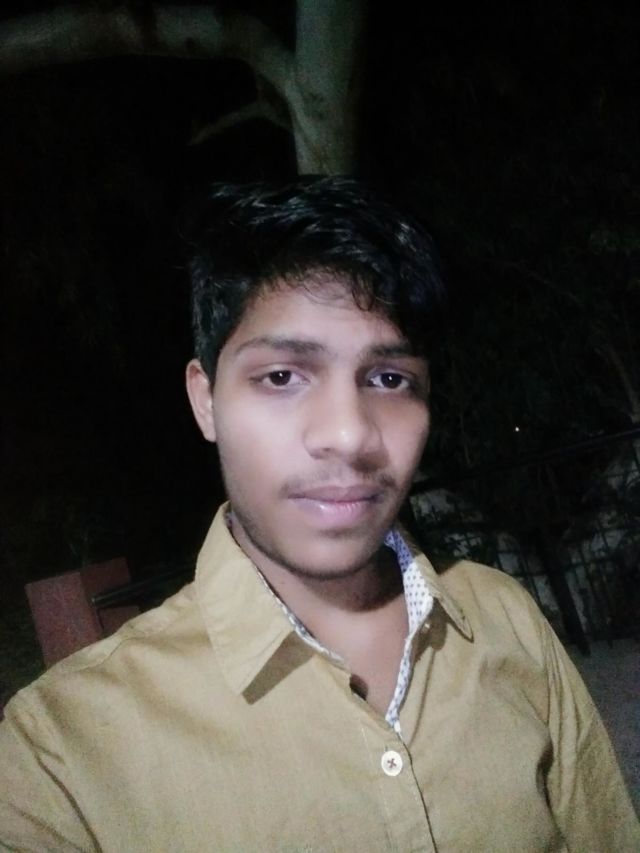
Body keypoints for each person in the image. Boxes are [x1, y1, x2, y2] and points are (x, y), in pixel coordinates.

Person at [0, 178, 637, 852]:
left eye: (389, 379)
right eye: (281, 376)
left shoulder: (505, 617)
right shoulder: (59, 754)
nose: (349, 434)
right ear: (206, 400)